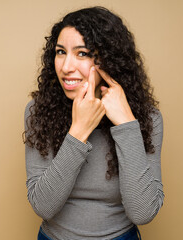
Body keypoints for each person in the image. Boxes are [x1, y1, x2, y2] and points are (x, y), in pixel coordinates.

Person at [23, 6, 164, 240]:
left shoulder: (148, 119)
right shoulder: (38, 112)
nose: (66, 67)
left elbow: (142, 212)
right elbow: (43, 206)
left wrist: (126, 124)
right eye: (60, 52)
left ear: (110, 59)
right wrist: (79, 131)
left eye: (82, 53)